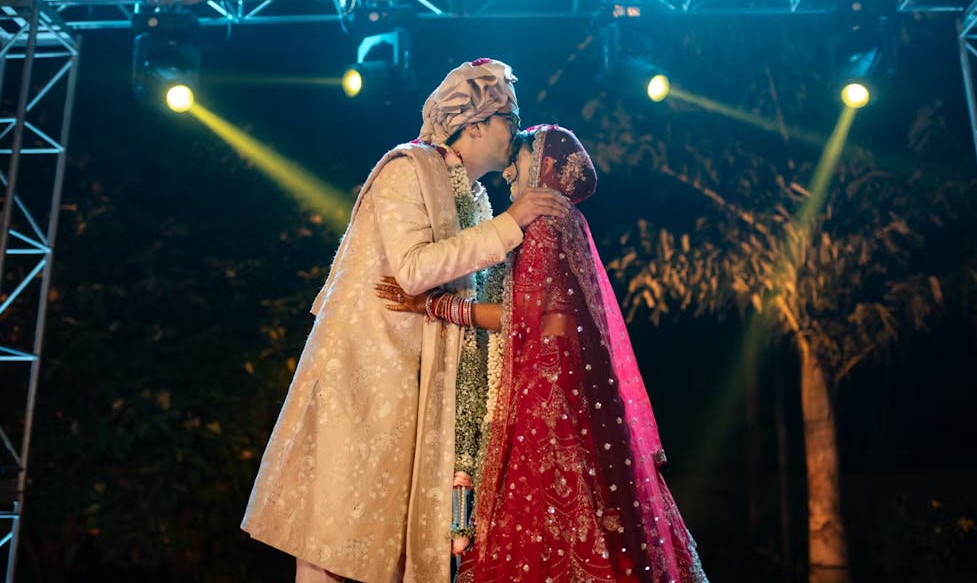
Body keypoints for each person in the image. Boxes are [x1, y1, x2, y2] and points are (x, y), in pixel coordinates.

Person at [241, 60, 570, 583]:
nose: (517, 127)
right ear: (476, 123)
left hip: (419, 391)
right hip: (363, 382)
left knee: (385, 555)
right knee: (333, 544)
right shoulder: (407, 169)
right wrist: (514, 223)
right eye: (509, 115)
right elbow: (413, 268)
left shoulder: (476, 196)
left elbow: (466, 290)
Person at [376, 125, 709, 582]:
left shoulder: (546, 228)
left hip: (547, 408)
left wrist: (437, 305)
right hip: (568, 399)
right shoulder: (566, 225)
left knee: (547, 528)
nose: (511, 167)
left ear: (547, 168)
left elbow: (530, 318)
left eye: (524, 156)